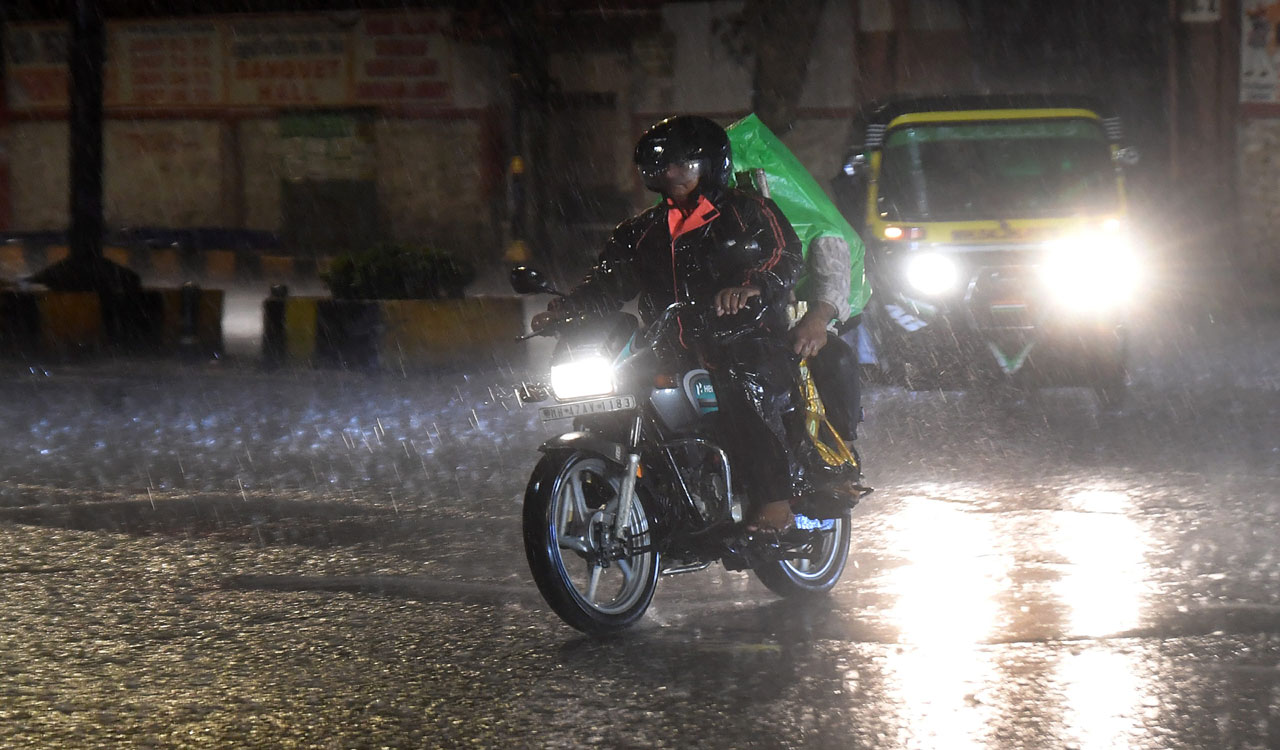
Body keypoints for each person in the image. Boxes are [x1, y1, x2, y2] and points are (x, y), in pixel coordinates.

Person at [531, 115, 809, 533]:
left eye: (683, 165)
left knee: (738, 384)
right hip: (668, 345)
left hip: (746, 338)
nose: (671, 175)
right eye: (662, 167)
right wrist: (569, 308)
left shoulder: (747, 211)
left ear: (711, 165)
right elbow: (607, 282)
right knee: (613, 391)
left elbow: (783, 254)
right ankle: (631, 490)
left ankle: (774, 499)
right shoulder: (641, 232)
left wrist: (750, 287)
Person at [726, 114, 871, 444]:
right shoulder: (717, 227)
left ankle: (841, 443)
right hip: (734, 332)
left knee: (835, 359)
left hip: (799, 322)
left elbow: (832, 279)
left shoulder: (815, 229)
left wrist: (816, 320)